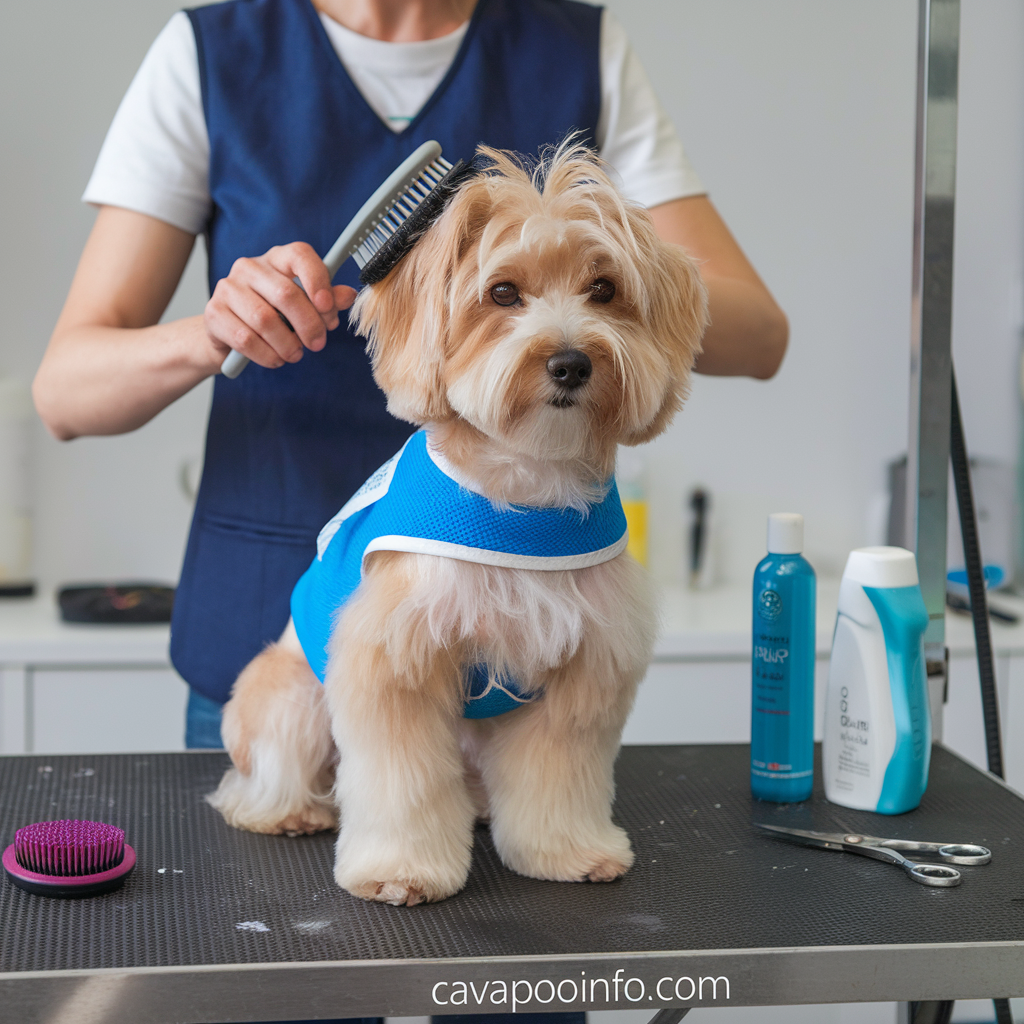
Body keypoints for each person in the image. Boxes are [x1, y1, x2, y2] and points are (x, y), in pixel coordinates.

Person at [34, 1, 787, 1020]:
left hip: (536, 598)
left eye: (595, 293)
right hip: (271, 642)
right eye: (510, 295)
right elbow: (64, 391)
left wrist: (627, 287)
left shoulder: (580, 47)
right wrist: (212, 329)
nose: (560, 332)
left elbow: (760, 333)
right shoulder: (212, 54)